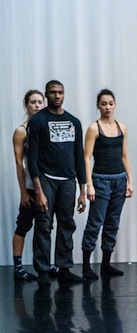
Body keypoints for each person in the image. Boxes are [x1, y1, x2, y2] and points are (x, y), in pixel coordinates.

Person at [28, 80, 87, 286]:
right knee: (44, 225)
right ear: (47, 95)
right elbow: (32, 157)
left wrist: (82, 190)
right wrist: (38, 190)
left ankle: (64, 268)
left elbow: (79, 156)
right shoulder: (38, 121)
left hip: (68, 181)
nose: (57, 96)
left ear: (64, 94)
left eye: (60, 92)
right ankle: (43, 270)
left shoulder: (74, 122)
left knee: (66, 224)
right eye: (53, 93)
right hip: (46, 179)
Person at [81, 89, 133, 280]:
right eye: (104, 104)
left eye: (111, 103)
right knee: (95, 223)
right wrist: (89, 185)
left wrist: (129, 181)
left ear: (115, 104)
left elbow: (125, 156)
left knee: (112, 223)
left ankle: (105, 264)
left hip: (119, 180)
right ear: (98, 106)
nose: (108, 107)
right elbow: (86, 158)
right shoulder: (94, 129)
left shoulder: (122, 127)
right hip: (101, 179)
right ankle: (86, 265)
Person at [11, 90, 45, 281]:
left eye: (40, 102)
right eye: (33, 102)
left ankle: (44, 263)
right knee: (23, 224)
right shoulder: (21, 131)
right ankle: (18, 267)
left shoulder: (45, 127)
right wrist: (23, 192)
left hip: (47, 185)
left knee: (45, 226)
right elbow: (19, 164)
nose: (37, 105)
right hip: (31, 187)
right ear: (26, 105)